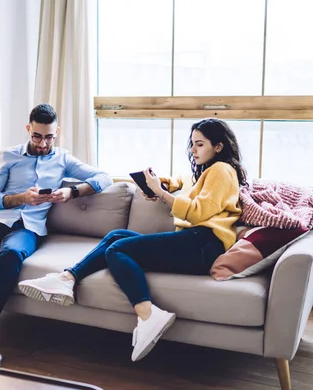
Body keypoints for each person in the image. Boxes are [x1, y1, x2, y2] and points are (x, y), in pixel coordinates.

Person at [18, 118, 247, 362]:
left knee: (117, 250)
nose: (193, 150)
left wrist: (161, 193)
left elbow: (200, 211)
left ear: (219, 146)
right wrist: (163, 185)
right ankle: (67, 278)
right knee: (116, 236)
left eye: (199, 145)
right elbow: (186, 184)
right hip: (195, 242)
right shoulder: (207, 171)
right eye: (192, 144)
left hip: (203, 243)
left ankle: (148, 314)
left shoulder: (222, 170)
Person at [0, 103, 112, 361]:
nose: (43, 143)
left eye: (49, 137)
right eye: (37, 136)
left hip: (28, 228)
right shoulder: (9, 156)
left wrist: (72, 191)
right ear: (28, 129)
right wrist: (20, 198)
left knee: (12, 255)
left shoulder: (62, 159)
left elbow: (105, 177)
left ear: (56, 132)